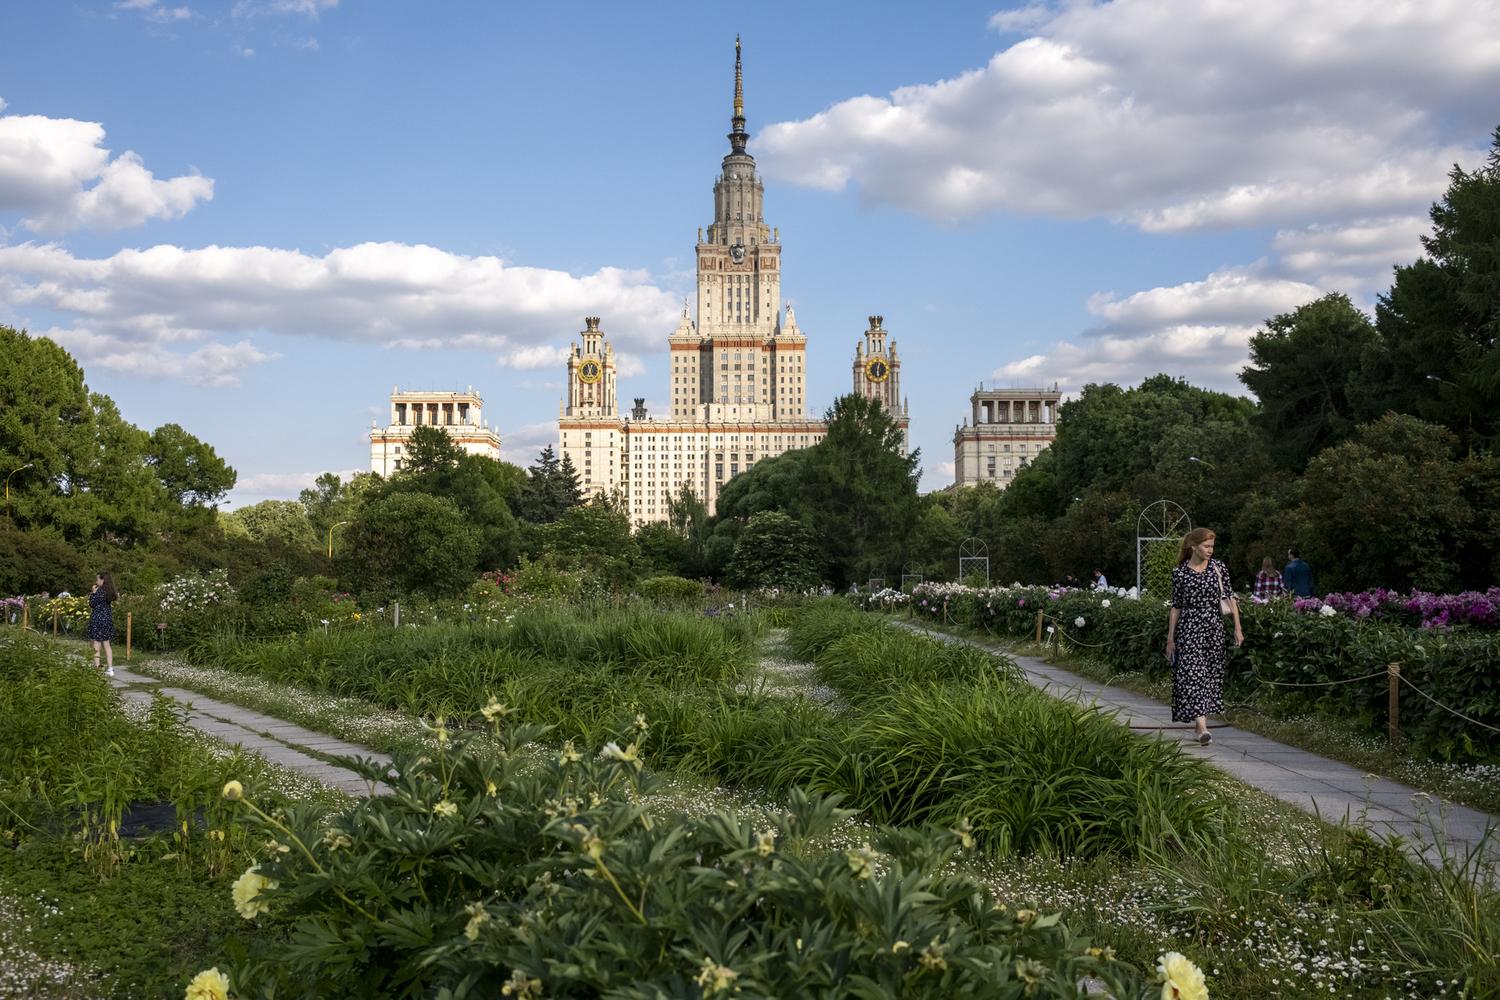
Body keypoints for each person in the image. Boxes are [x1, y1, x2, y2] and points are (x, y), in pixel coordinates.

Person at [1165, 528, 1242, 745]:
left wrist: (1237, 628)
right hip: (1189, 629)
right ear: (1194, 547)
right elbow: (1176, 607)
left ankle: (1200, 725)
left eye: (1212, 546)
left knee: (1209, 676)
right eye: (1206, 546)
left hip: (1213, 628)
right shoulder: (1180, 573)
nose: (1210, 550)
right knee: (1193, 674)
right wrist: (1170, 638)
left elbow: (1230, 597)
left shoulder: (1218, 568)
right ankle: (1202, 727)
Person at [88, 571, 119, 678]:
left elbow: (92, 604)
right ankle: (110, 668)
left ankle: (97, 669)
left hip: (97, 620)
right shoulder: (110, 592)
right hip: (107, 620)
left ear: (102, 580)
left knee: (96, 646)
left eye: (97, 579)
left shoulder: (99, 592)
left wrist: (93, 593)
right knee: (107, 644)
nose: (96, 581)